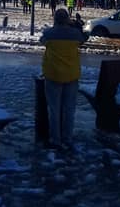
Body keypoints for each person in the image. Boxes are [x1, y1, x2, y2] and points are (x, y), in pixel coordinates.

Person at [39, 8, 88, 150]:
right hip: (71, 75)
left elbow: (42, 41)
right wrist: (76, 26)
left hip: (53, 74)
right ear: (67, 18)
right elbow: (84, 39)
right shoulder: (75, 34)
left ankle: (55, 139)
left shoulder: (48, 34)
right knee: (69, 109)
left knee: (54, 109)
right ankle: (67, 138)